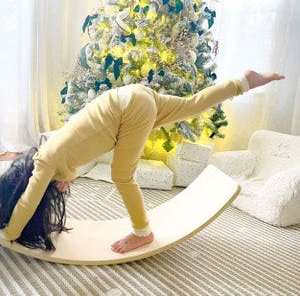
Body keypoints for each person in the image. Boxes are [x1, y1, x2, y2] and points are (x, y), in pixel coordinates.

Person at [0, 70, 284, 253]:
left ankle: (142, 232)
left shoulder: (44, 163)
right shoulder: (54, 152)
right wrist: (65, 176)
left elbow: (28, 202)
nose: (62, 188)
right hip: (131, 96)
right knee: (190, 105)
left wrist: (10, 233)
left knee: (122, 176)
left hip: (128, 111)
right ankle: (243, 82)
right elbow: (75, 155)